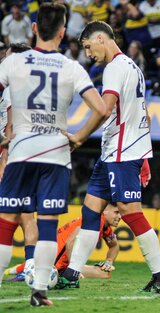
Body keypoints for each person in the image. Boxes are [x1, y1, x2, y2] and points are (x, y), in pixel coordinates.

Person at [0, 3, 108, 306]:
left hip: (21, 150)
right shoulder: (72, 67)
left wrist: (3, 138)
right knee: (47, 224)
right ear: (62, 32)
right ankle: (39, 292)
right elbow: (101, 109)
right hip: (56, 154)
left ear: (34, 29)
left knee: (7, 222)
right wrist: (79, 137)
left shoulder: (13, 62)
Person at [58, 20, 160, 295]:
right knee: (90, 209)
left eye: (88, 47)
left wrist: (80, 136)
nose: (88, 54)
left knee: (131, 212)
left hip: (122, 153)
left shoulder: (114, 68)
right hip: (114, 152)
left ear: (101, 39)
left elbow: (105, 109)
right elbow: (143, 114)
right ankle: (72, 273)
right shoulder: (133, 67)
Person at [0, 43, 38, 283]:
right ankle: (31, 266)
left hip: (15, 156)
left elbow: (12, 128)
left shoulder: (12, 87)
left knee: (15, 215)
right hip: (32, 155)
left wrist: (4, 158)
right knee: (27, 216)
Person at [5, 204, 120, 280]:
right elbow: (71, 242)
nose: (120, 216)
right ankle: (16, 272)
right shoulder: (95, 221)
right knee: (27, 271)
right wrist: (74, 269)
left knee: (105, 273)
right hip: (55, 263)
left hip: (54, 259)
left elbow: (114, 246)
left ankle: (14, 270)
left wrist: (109, 261)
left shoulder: (103, 226)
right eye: (116, 212)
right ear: (104, 211)